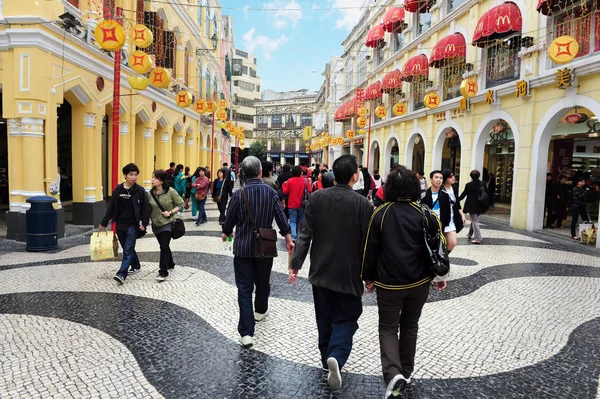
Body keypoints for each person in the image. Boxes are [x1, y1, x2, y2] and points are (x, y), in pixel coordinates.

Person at [361, 166, 447, 398]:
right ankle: (406, 371)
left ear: (389, 189)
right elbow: (438, 247)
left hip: (389, 284)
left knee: (388, 327)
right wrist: (439, 276)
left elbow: (370, 250)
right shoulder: (425, 213)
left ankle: (393, 373)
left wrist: (368, 278)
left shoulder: (380, 213)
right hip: (420, 282)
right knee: (410, 325)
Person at [289, 154, 373, 390]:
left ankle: (326, 358)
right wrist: (370, 276)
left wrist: (295, 264)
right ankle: (336, 353)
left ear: (334, 175)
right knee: (348, 315)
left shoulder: (317, 198)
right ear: (355, 176)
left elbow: (305, 234)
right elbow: (368, 243)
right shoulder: (363, 204)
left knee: (323, 316)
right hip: (349, 271)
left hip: (321, 269)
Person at [222, 156, 294, 349]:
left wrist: (226, 233)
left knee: (244, 288)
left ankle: (246, 333)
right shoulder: (270, 192)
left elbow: (229, 221)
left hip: (243, 249)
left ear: (243, 174)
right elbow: (280, 217)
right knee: (263, 281)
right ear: (261, 172)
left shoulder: (238, 195)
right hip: (265, 247)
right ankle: (260, 310)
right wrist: (288, 238)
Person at [99, 163, 150, 285]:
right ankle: (136, 265)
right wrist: (104, 222)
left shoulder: (140, 190)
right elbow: (111, 207)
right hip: (120, 224)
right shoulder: (118, 189)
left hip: (133, 225)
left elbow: (145, 209)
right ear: (125, 175)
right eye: (131, 174)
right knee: (127, 247)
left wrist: (144, 222)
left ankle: (122, 274)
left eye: (136, 175)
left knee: (127, 249)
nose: (134, 177)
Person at [147, 169, 184, 281]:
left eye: (154, 178)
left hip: (168, 223)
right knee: (164, 246)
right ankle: (170, 262)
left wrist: (170, 212)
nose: (152, 179)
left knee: (163, 246)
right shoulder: (150, 194)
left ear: (161, 181)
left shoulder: (170, 191)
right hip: (156, 224)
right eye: (152, 177)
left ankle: (163, 271)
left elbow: (181, 204)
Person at [421, 170, 465, 252]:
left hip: (445, 222)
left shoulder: (445, 195)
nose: (439, 180)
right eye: (436, 177)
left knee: (452, 242)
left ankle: (443, 257)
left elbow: (452, 208)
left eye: (441, 178)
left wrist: (460, 215)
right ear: (431, 179)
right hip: (431, 223)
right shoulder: (424, 195)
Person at [282, 165, 312, 241]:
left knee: (292, 221)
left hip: (291, 204)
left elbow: (285, 192)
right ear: (301, 173)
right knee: (300, 221)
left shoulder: (289, 181)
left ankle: (293, 236)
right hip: (302, 204)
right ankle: (298, 235)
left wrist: (283, 185)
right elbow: (310, 190)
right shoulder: (305, 180)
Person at [458, 170, 486, 244]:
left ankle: (478, 238)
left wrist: (457, 200)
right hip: (481, 205)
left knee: (474, 221)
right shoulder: (483, 184)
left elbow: (464, 194)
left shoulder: (469, 185)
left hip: (472, 206)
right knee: (474, 220)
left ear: (471, 176)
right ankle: (470, 234)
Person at [571, 176, 591, 240]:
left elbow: (586, 197)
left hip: (582, 206)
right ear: (578, 182)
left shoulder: (582, 189)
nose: (583, 183)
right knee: (574, 221)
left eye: (584, 182)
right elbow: (580, 196)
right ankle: (573, 235)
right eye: (582, 182)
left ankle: (586, 234)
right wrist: (586, 191)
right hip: (576, 206)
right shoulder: (575, 189)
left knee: (586, 220)